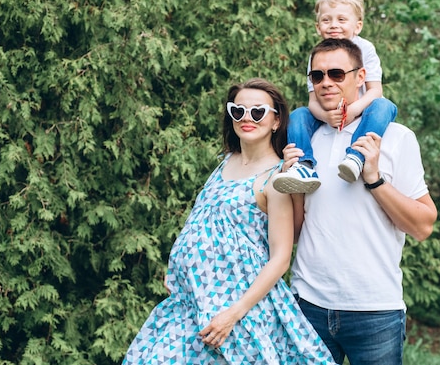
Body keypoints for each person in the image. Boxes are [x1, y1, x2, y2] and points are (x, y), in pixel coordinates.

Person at [122, 78, 336, 364]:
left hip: (237, 307)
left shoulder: (275, 179)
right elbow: (202, 220)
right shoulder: (225, 162)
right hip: (192, 301)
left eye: (258, 112)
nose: (247, 118)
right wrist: (178, 267)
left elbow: (281, 258)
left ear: (276, 121)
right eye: (239, 111)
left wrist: (234, 313)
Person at [283, 38, 438, 365]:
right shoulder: (303, 141)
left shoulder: (396, 137)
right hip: (308, 304)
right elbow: (295, 232)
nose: (326, 82)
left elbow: (423, 225)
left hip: (375, 311)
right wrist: (290, 185)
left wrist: (374, 178)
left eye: (337, 73)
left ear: (361, 76)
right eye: (317, 76)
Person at [273, 0, 399, 194]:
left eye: (341, 19)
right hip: (328, 112)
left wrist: (352, 110)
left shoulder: (364, 48)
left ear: (357, 26)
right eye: (326, 20)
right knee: (298, 115)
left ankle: (356, 157)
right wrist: (325, 116)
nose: (334, 25)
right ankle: (303, 165)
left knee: (384, 105)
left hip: (359, 110)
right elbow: (313, 101)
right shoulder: (317, 55)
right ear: (318, 27)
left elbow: (375, 90)